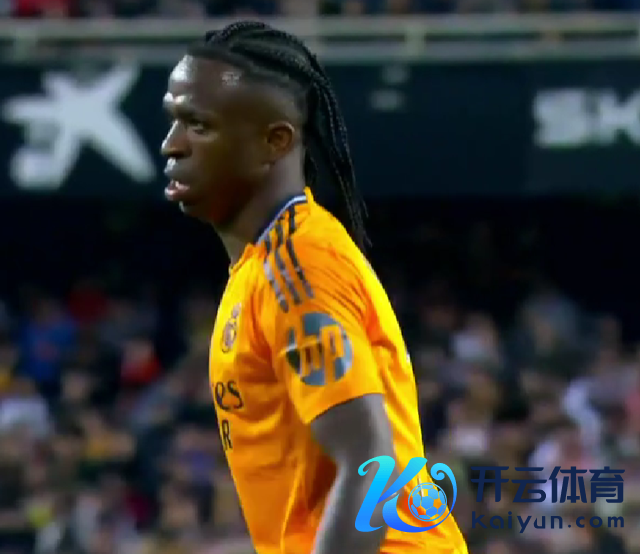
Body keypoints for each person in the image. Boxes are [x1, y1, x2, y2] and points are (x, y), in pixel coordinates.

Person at [160, 20, 467, 554]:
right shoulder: (263, 266)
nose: (172, 145)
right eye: (174, 121)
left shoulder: (298, 266)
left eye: (199, 126)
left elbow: (369, 461)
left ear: (274, 142)